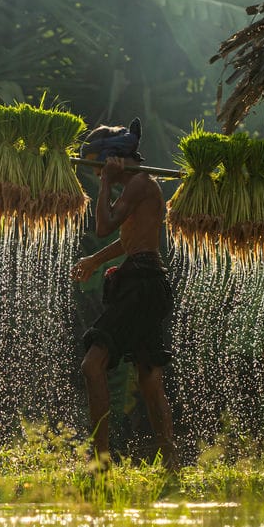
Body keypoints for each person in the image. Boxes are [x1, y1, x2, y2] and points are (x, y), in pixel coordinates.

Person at [71, 119, 179, 470]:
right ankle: (170, 462)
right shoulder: (141, 187)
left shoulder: (137, 183)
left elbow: (104, 227)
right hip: (149, 280)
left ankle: (101, 459)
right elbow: (130, 240)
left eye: (100, 166)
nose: (102, 174)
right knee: (149, 378)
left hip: (142, 283)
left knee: (93, 364)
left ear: (113, 159)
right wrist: (93, 260)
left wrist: (104, 186)